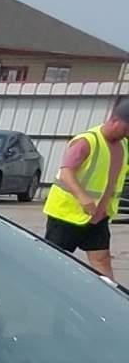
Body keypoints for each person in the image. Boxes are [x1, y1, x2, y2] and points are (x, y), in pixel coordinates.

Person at [43, 97, 129, 281]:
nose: (127, 133)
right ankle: (47, 289)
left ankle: (109, 300)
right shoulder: (87, 141)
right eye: (126, 128)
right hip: (67, 214)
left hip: (98, 215)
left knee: (102, 258)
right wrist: (83, 198)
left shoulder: (123, 144)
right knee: (55, 259)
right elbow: (66, 172)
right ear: (114, 120)